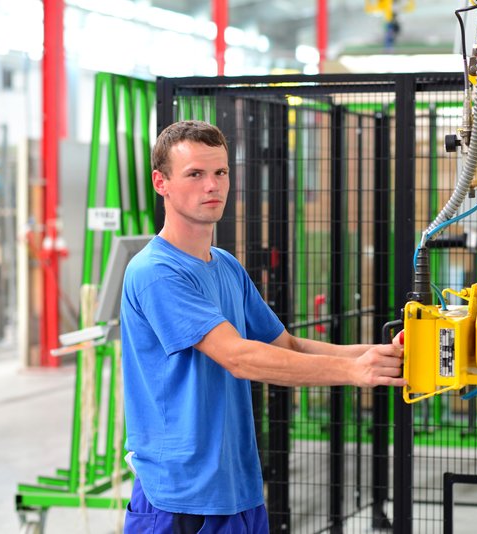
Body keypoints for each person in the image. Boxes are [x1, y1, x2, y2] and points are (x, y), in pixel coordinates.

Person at [120, 120, 406, 533]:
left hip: (238, 489)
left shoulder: (226, 267)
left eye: (220, 172)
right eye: (195, 174)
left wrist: (378, 357)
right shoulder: (156, 271)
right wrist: (352, 372)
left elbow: (286, 344)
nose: (211, 186)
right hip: (180, 497)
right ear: (160, 182)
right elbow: (238, 357)